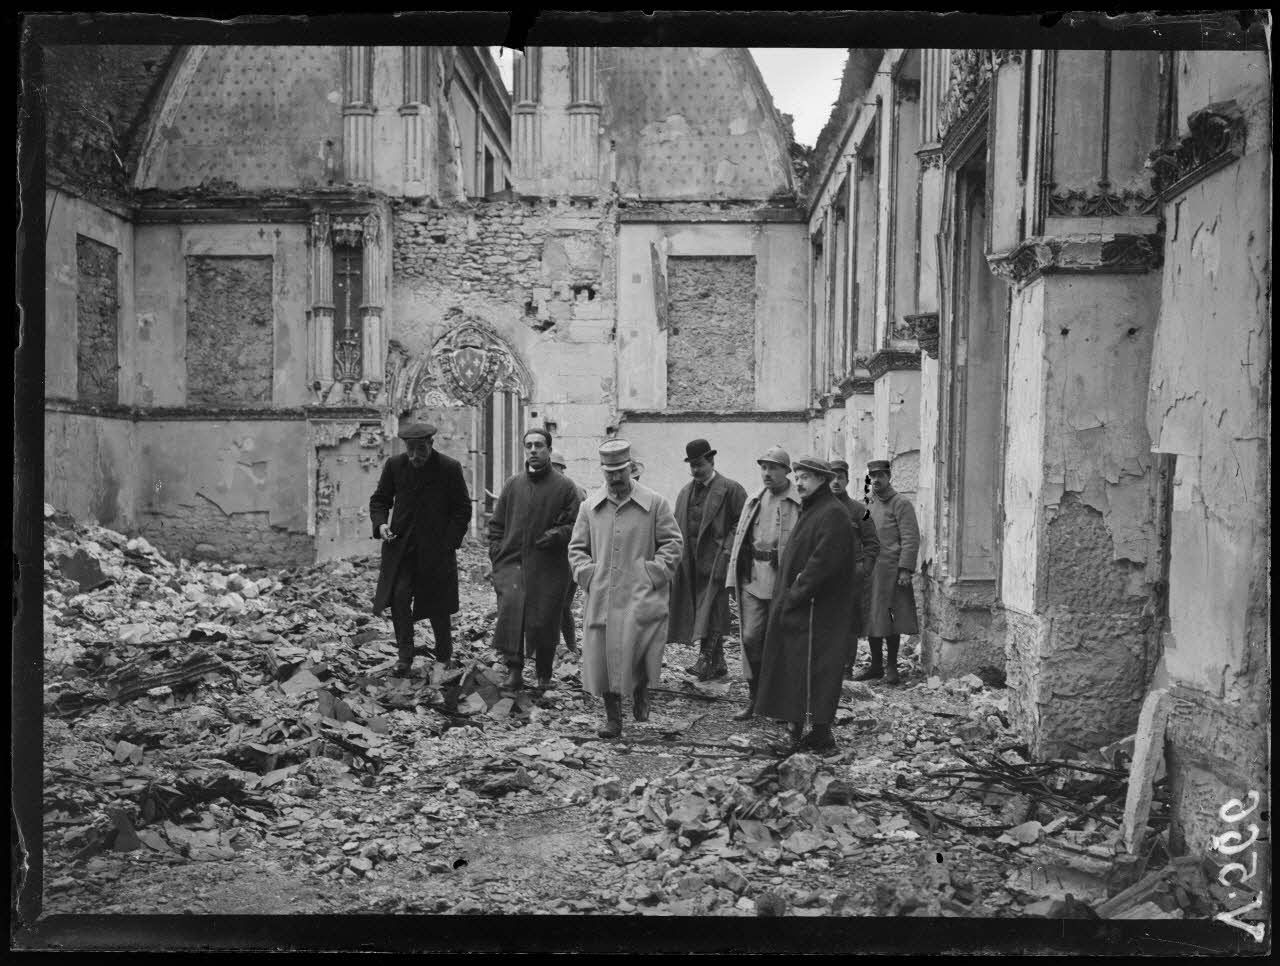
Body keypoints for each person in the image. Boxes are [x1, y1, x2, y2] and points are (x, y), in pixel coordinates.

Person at [568, 440, 683, 739]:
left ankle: (641, 691)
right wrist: (588, 574)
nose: (615, 478)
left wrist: (652, 573)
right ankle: (613, 718)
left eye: (620, 471)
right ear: (603, 472)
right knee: (603, 655)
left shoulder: (655, 503)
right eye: (610, 473)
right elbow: (576, 549)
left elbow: (673, 544)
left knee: (639, 647)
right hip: (603, 594)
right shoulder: (589, 508)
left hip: (640, 593)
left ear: (630, 469)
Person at [755, 457, 859, 753]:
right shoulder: (814, 509)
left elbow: (822, 562)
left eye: (806, 478)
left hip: (817, 610)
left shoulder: (833, 514)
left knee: (814, 668)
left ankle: (814, 733)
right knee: (796, 666)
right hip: (804, 606)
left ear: (822, 480)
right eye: (797, 477)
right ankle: (806, 730)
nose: (798, 483)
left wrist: (795, 594)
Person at [369, 422, 472, 676]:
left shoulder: (449, 468)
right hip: (401, 550)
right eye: (411, 450)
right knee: (400, 598)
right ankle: (405, 657)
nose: (415, 456)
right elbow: (380, 500)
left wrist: (448, 543)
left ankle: (444, 656)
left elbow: (462, 510)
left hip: (435, 552)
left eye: (421, 450)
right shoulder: (395, 465)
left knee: (438, 604)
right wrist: (381, 524)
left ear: (431, 444)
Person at [488, 429, 582, 691]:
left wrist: (555, 535)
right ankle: (514, 671)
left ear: (549, 451)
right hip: (513, 563)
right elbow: (497, 525)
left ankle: (543, 674)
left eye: (539, 445)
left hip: (550, 566)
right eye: (528, 445)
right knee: (512, 614)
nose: (533, 450)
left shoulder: (565, 487)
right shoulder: (513, 484)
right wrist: (497, 553)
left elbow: (576, 525)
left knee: (545, 619)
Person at [724, 446, 802, 721]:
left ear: (786, 471)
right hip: (754, 579)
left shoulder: (799, 502)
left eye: (773, 468)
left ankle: (781, 704)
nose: (767, 473)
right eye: (763, 467)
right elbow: (739, 541)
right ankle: (754, 697)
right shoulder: (754, 500)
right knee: (750, 639)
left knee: (781, 643)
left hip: (785, 584)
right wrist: (733, 578)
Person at [670, 439, 748, 681]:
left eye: (700, 464)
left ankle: (704, 660)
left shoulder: (731, 489)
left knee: (712, 608)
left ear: (712, 461)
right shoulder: (685, 493)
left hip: (718, 561)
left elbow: (743, 523)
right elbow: (675, 525)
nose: (695, 470)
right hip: (691, 563)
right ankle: (720, 662)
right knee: (701, 609)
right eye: (692, 465)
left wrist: (727, 550)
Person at [855, 458, 920, 685]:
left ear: (889, 476)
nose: (876, 480)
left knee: (892, 619)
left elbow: (911, 538)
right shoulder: (867, 504)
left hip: (892, 573)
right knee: (872, 618)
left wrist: (905, 570)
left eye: (880, 475)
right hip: (871, 572)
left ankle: (892, 666)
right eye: (872, 476)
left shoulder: (901, 504)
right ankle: (875, 665)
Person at [829, 459, 882, 675]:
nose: (835, 482)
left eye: (840, 478)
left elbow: (872, 543)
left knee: (848, 623)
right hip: (823, 575)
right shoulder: (816, 509)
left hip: (850, 576)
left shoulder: (860, 510)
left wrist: (863, 569)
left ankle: (845, 668)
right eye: (831, 477)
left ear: (847, 480)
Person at [550, 450, 589, 656]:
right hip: (562, 556)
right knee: (560, 604)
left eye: (555, 467)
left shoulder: (573, 491)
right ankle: (565, 647)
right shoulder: (558, 489)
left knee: (560, 604)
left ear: (561, 469)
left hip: (568, 555)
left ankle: (565, 647)